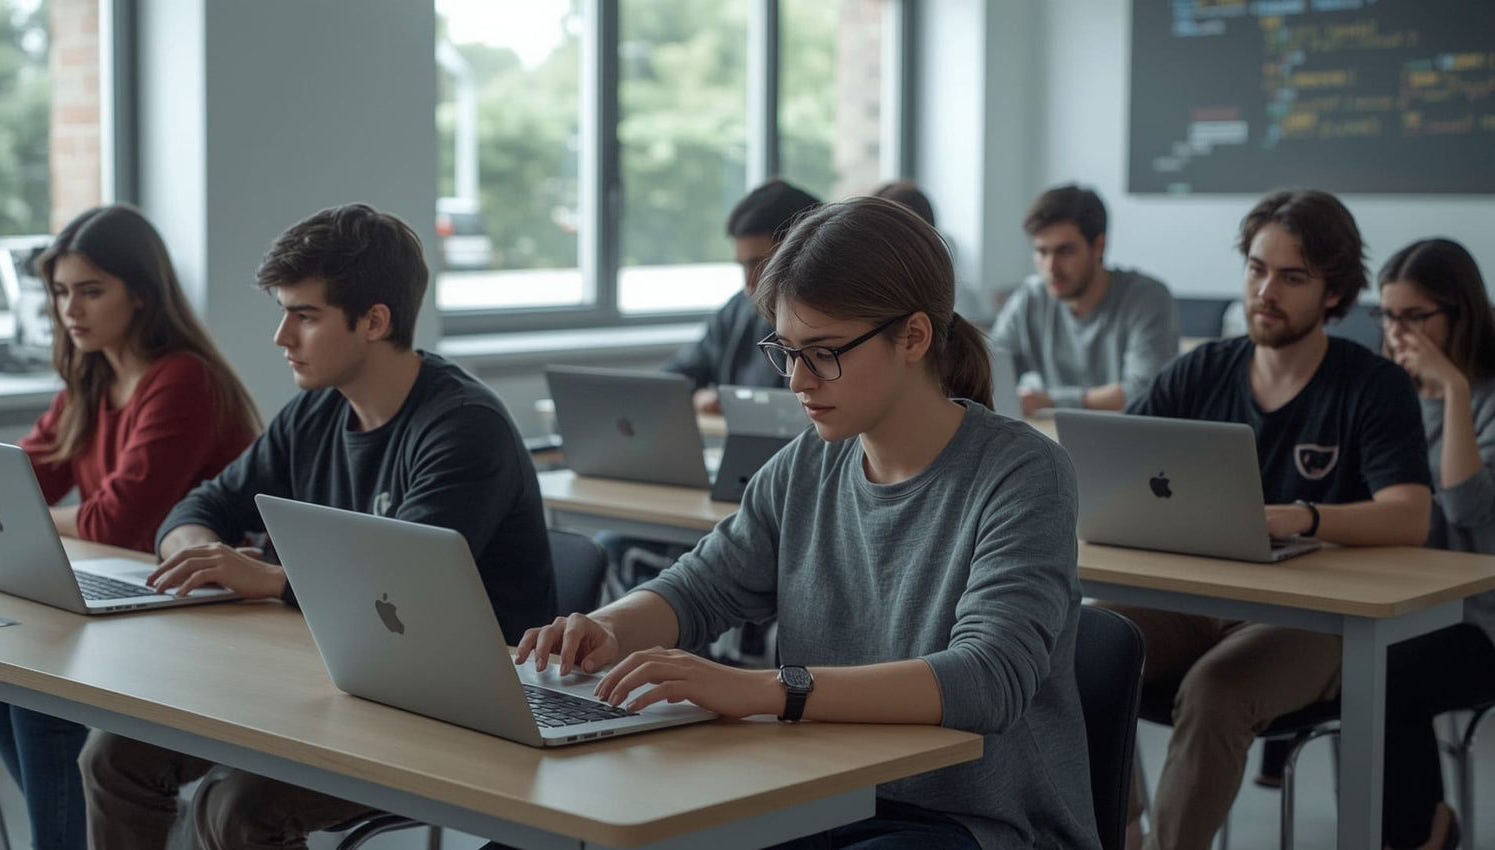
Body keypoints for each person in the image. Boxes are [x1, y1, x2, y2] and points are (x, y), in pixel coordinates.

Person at [516, 197, 1101, 849]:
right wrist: (604, 628)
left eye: (822, 354)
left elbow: (987, 679)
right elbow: (700, 587)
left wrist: (767, 689)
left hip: (976, 824)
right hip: (817, 793)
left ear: (913, 336)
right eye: (786, 351)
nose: (796, 380)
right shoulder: (807, 464)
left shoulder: (1023, 474)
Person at [77, 203, 557, 850]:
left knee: (237, 806)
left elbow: (403, 593)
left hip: (448, 703)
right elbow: (199, 509)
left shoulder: (464, 429)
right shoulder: (315, 413)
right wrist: (198, 550)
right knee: (113, 754)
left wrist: (270, 581)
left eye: (304, 316)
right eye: (283, 311)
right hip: (327, 672)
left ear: (375, 322)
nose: (281, 336)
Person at [1108, 189, 1434, 850]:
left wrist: (1305, 517)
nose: (1266, 290)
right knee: (1082, 644)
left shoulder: (1372, 385)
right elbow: (1115, 463)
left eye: (1292, 277)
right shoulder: (1203, 369)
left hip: (1316, 620)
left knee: (1216, 690)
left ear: (1334, 292)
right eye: (1257, 269)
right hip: (1197, 599)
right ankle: (1121, 829)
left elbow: (1411, 516)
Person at [7, 204, 259, 850]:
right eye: (61, 292)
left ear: (143, 294)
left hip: (210, 622)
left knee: (39, 689)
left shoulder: (184, 381)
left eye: (91, 291)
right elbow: (19, 481)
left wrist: (34, 520)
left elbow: (118, 522)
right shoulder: (91, 379)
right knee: (8, 682)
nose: (71, 310)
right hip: (139, 605)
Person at [1374, 238, 1495, 850]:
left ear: (1459, 312)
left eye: (1414, 317)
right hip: (1402, 603)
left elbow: (1469, 508)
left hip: (1481, 621)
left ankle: (1423, 833)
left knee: (1387, 672)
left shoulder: (1486, 398)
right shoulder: (1384, 394)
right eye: (1388, 316)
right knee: (1338, 651)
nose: (1398, 333)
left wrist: (1453, 390)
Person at [992, 184, 1179, 416]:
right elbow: (989, 372)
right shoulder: (1030, 297)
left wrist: (1048, 400)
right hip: (1052, 439)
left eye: (1065, 251)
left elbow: (1144, 391)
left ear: (1099, 246)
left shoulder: (1147, 299)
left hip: (1129, 442)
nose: (1051, 268)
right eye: (1042, 251)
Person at [664, 178, 821, 414]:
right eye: (743, 266)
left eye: (760, 264)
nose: (749, 284)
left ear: (802, 250)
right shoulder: (739, 308)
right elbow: (675, 378)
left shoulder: (831, 321)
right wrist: (697, 395)